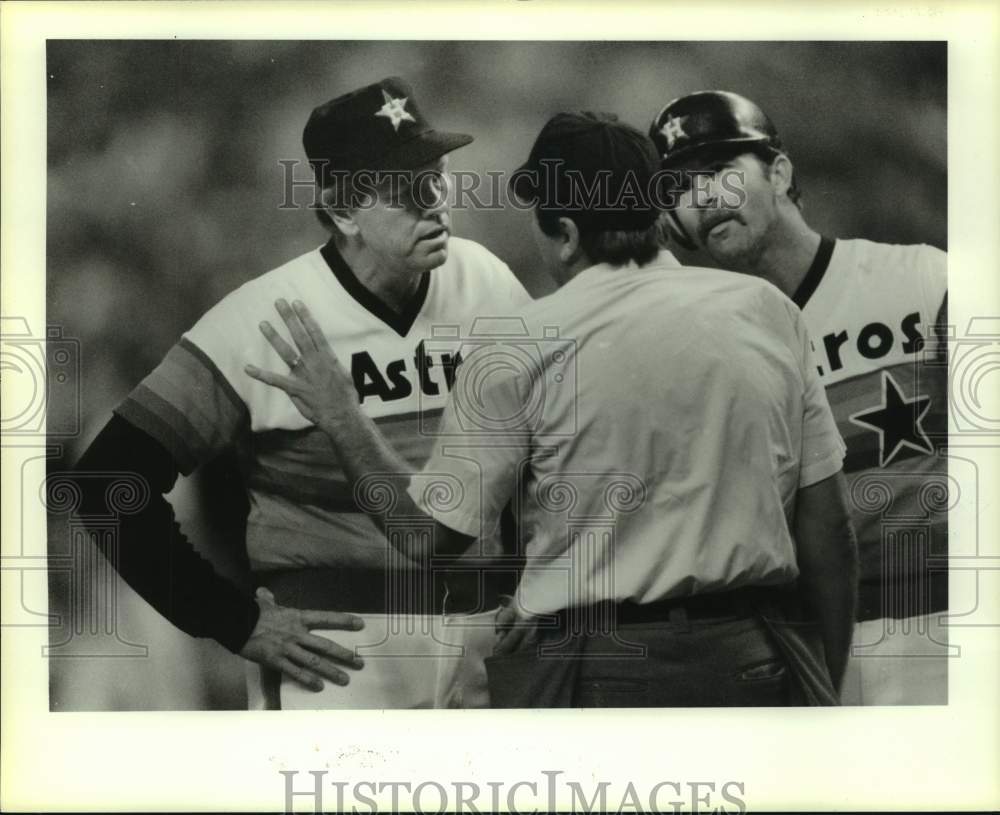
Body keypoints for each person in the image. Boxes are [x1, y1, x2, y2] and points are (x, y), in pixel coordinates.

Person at [245, 112, 858, 706]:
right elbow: (827, 528)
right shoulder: (768, 309)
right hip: (753, 654)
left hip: (602, 662)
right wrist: (818, 684)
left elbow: (426, 536)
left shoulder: (516, 343)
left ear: (565, 233)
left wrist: (343, 416)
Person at [72, 76, 531, 709]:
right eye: (406, 189)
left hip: (482, 641)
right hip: (341, 658)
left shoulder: (486, 280)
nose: (436, 202)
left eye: (438, 176)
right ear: (344, 212)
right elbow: (106, 480)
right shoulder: (263, 318)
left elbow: (549, 450)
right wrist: (232, 619)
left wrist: (542, 586)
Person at [649, 90, 948, 705]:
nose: (703, 198)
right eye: (680, 188)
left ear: (779, 172)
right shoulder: (699, 349)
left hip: (945, 627)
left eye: (720, 172)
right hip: (799, 650)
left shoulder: (923, 281)